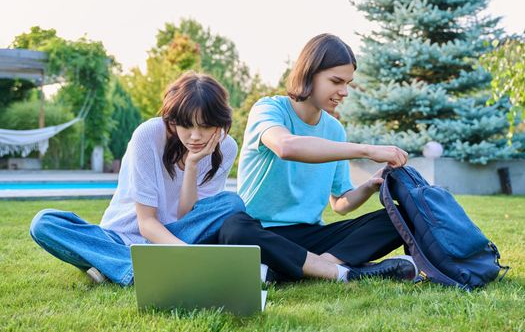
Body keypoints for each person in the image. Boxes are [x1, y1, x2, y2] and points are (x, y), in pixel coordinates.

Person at [218, 34, 417, 283]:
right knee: (232, 229)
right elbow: (286, 146)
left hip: (311, 235)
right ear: (309, 74)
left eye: (347, 83)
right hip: (260, 231)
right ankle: (337, 271)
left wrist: (368, 186)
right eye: (336, 81)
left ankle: (306, 269)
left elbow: (340, 203)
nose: (344, 92)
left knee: (398, 218)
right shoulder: (269, 109)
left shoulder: (334, 130)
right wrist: (367, 150)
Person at [29, 72, 244, 286]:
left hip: (177, 235)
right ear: (173, 122)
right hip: (120, 238)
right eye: (187, 125)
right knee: (43, 222)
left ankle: (113, 266)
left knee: (232, 203)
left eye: (205, 126)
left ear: (219, 123)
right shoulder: (148, 135)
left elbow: (187, 217)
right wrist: (187, 256)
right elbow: (146, 223)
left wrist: (192, 165)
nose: (195, 136)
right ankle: (136, 268)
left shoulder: (226, 147)